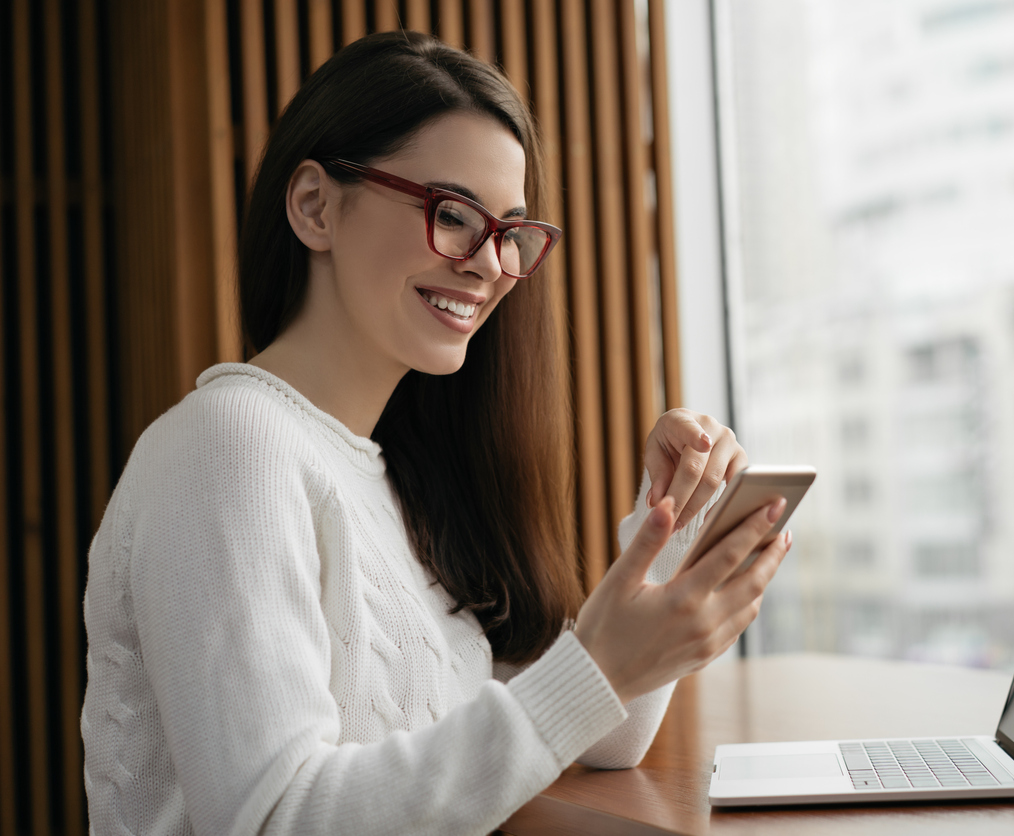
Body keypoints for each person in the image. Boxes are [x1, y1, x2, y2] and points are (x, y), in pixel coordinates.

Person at [81, 31, 790, 835]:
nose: (490, 264)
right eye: (452, 215)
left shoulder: (387, 478)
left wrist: (671, 521)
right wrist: (599, 663)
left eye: (511, 233)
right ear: (315, 206)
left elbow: (598, 733)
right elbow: (274, 818)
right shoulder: (229, 445)